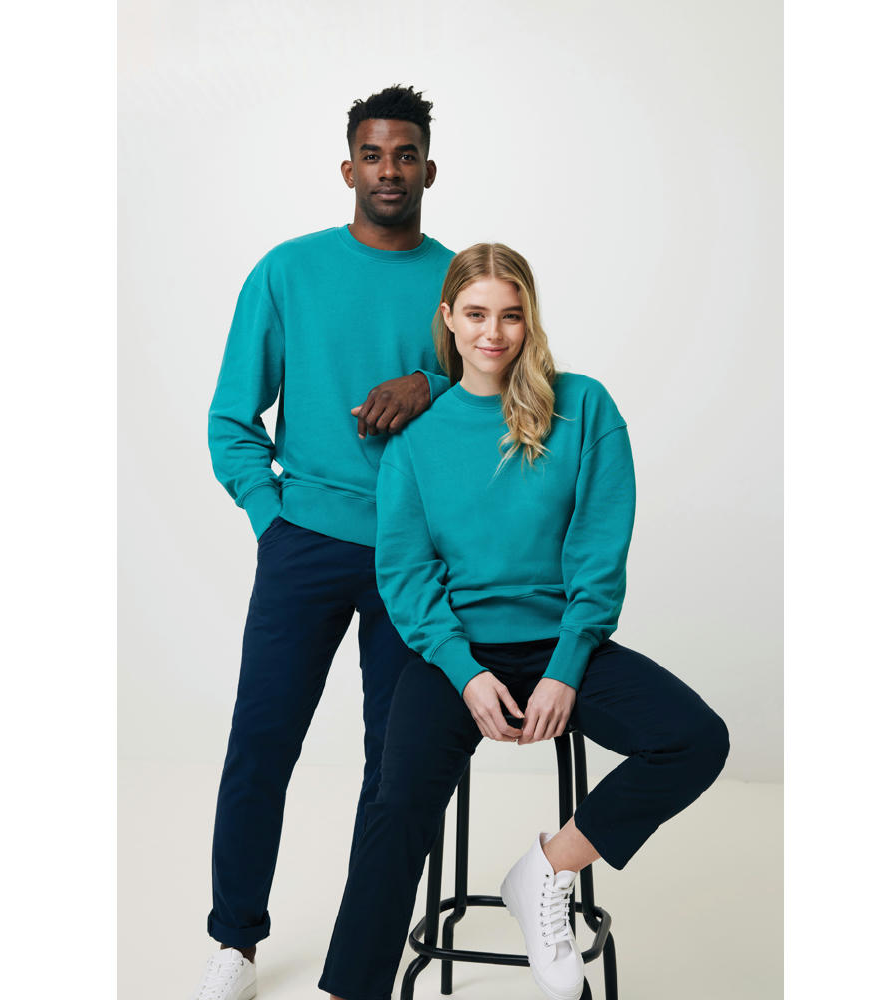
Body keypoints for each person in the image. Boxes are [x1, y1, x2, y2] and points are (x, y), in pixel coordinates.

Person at [318, 244, 731, 1000]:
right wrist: (464, 673)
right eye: (476, 314)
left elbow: (599, 551)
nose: (493, 333)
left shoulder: (584, 408)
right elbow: (405, 573)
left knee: (696, 738)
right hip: (456, 656)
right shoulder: (416, 438)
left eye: (511, 315)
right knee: (396, 802)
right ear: (448, 318)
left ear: (529, 319)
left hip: (563, 644)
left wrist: (566, 669)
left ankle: (546, 870)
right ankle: (351, 991)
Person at [192, 85, 455, 1000]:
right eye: (373, 155)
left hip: (416, 557)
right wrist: (273, 520)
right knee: (261, 743)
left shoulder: (459, 283)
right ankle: (234, 942)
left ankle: (358, 972)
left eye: (406, 154)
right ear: (349, 168)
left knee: (398, 767)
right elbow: (231, 419)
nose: (390, 171)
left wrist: (429, 383)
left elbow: (505, 391)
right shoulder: (288, 271)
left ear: (430, 168)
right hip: (303, 543)